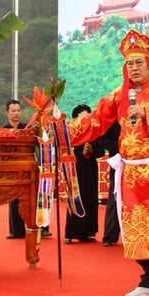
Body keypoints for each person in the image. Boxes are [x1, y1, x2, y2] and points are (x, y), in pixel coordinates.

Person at [67, 28, 149, 296]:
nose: (134, 68)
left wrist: (148, 114)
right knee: (139, 226)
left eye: (139, 62)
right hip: (132, 173)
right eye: (129, 63)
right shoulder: (120, 95)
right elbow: (96, 120)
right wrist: (62, 131)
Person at [3, 100, 52, 239]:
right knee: (14, 199)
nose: (16, 113)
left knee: (36, 198)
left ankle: (42, 228)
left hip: (30, 168)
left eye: (18, 110)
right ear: (7, 113)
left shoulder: (28, 128)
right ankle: (16, 231)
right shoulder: (4, 130)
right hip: (13, 169)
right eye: (13, 110)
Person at [63, 104, 106, 244]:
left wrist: (91, 150)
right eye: (82, 116)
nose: (86, 118)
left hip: (91, 168)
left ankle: (87, 232)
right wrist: (81, 153)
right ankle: (71, 232)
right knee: (76, 198)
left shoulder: (95, 132)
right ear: (75, 118)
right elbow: (66, 152)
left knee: (90, 198)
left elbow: (101, 151)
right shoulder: (71, 133)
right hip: (76, 169)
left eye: (88, 115)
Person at [99, 121, 121, 247]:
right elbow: (103, 140)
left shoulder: (140, 118)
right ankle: (110, 236)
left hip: (139, 166)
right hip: (118, 166)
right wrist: (119, 147)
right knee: (114, 200)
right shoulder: (114, 121)